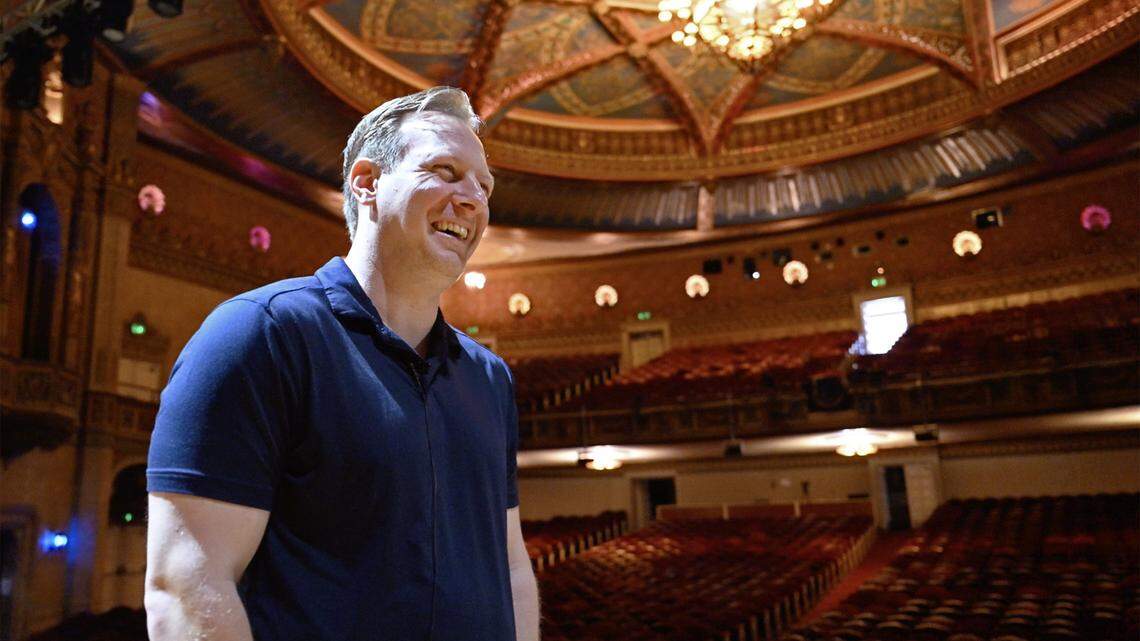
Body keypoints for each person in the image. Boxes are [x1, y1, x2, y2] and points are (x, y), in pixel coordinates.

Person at [144, 86, 540, 641]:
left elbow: (512, 569)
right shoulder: (259, 334)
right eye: (446, 172)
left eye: (484, 186)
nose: (474, 199)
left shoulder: (490, 378)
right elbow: (188, 587)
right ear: (367, 182)